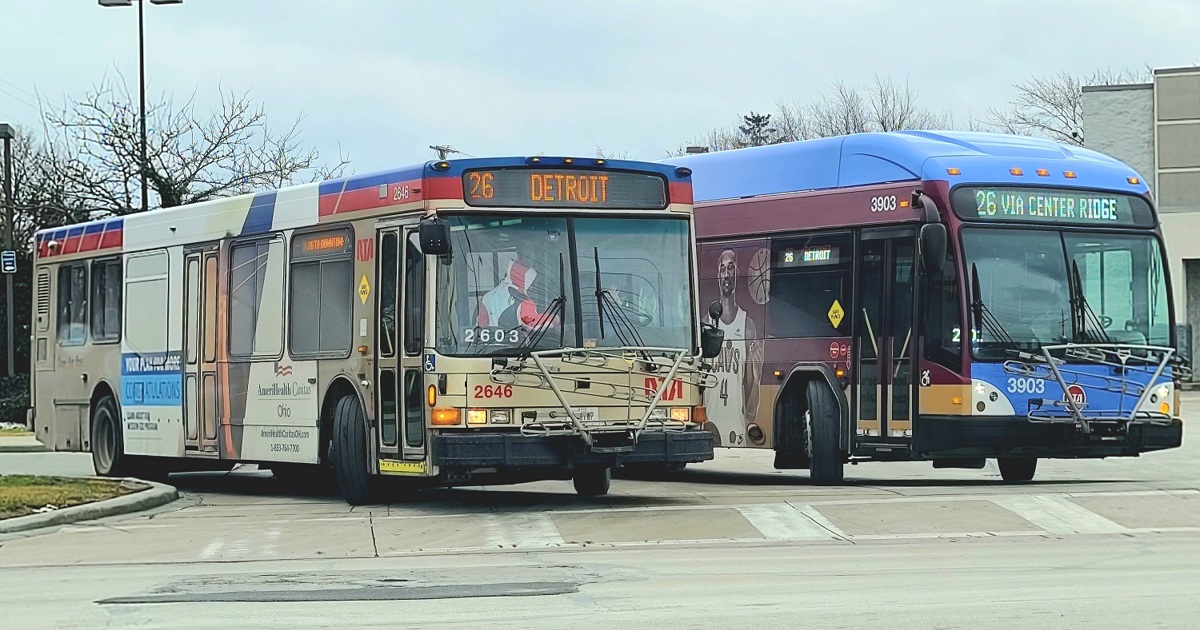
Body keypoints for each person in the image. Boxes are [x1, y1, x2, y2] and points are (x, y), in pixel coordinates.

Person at [703, 249, 762, 446]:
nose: (726, 273)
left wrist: (757, 376)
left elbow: (752, 410)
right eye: (722, 268)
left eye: (731, 267)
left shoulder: (748, 326)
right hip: (709, 426)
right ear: (717, 275)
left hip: (736, 429)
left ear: (737, 272)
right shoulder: (706, 323)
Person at [477, 259, 554, 331]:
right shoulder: (524, 301)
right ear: (526, 281)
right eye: (532, 282)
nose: (532, 287)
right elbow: (533, 324)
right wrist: (554, 318)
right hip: (515, 344)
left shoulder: (485, 298)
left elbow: (478, 328)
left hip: (487, 344)